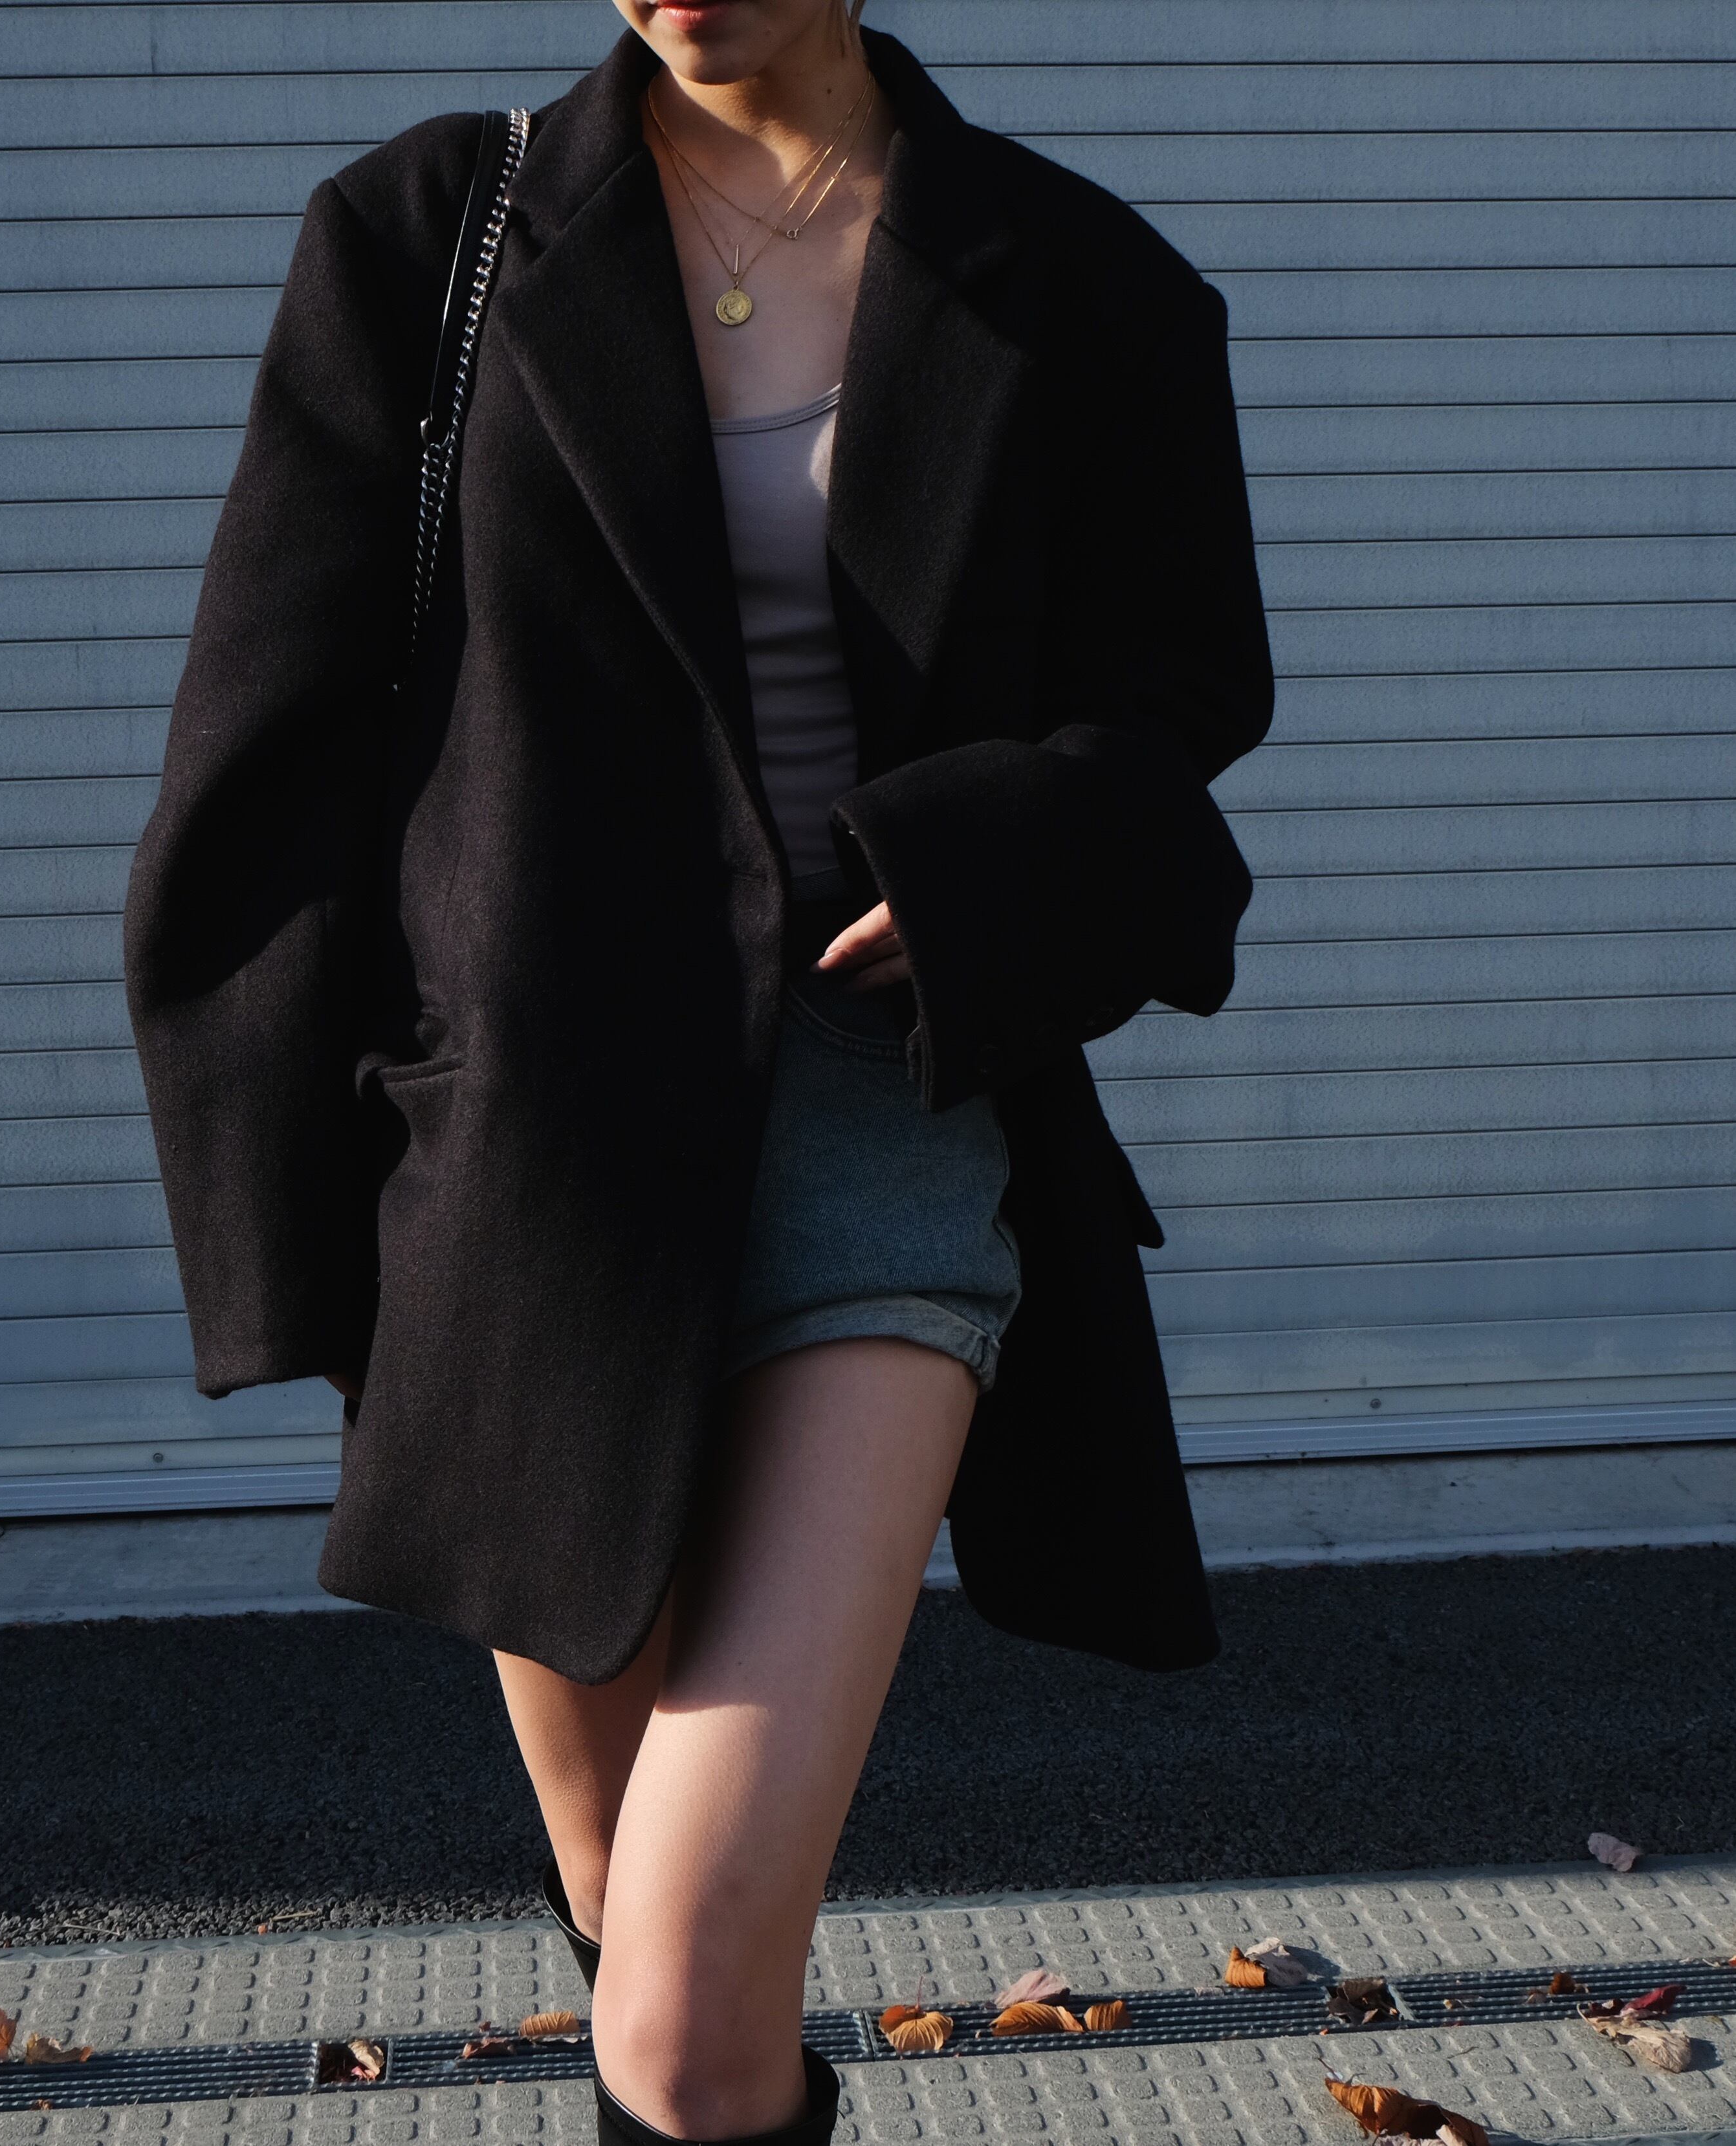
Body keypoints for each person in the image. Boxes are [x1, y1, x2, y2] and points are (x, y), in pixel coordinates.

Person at [123, 1, 1273, 2141]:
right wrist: (295, 1225)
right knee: (620, 1913)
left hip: (882, 1125)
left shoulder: (1081, 279)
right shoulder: (434, 238)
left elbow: (1179, 700)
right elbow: (267, 740)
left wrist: (982, 862)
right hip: (530, 1168)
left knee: (673, 2007)